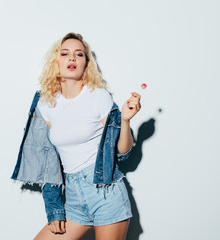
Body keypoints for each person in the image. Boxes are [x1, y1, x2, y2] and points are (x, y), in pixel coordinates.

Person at [11, 32, 141, 240]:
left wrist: (125, 121)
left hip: (105, 194)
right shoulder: (45, 103)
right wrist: (54, 209)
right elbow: (47, 163)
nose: (72, 58)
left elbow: (122, 152)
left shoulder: (98, 97)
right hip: (73, 200)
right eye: (65, 53)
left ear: (85, 63)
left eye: (79, 54)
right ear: (56, 61)